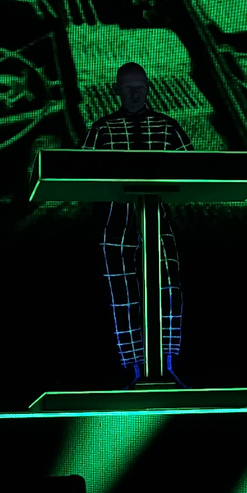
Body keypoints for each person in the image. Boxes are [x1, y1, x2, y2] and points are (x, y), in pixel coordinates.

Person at [86, 62, 193, 387]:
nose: (135, 94)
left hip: (157, 223)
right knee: (122, 296)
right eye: (129, 88)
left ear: (148, 89)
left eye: (141, 87)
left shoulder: (168, 127)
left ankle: (167, 364)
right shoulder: (102, 129)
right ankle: (133, 369)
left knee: (168, 290)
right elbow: (80, 173)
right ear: (116, 90)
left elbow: (196, 169)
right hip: (114, 226)